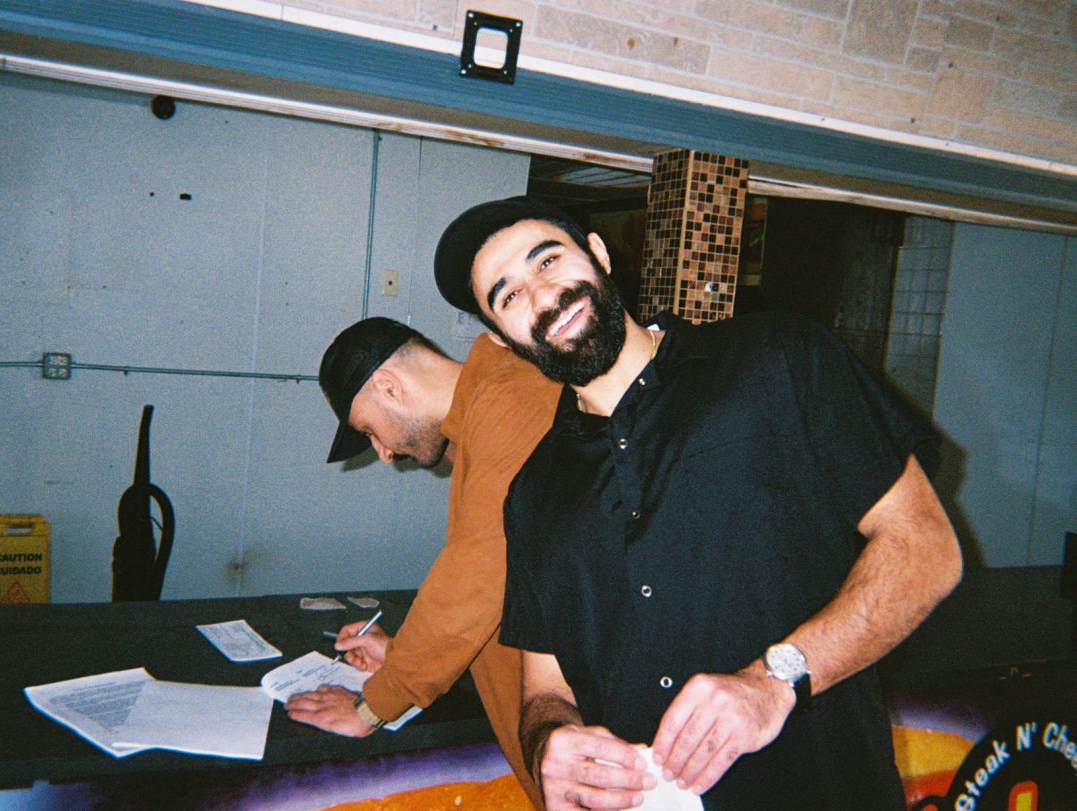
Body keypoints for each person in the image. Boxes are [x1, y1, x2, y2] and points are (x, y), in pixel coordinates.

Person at [432, 196, 963, 810]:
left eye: (547, 260)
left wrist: (774, 682)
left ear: (599, 254)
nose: (542, 296)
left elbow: (926, 548)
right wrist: (550, 739)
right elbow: (544, 687)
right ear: (502, 339)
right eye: (507, 296)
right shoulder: (532, 495)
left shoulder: (780, 358)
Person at [285, 316, 559, 809]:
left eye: (370, 431)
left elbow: (477, 576)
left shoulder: (511, 400)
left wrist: (374, 705)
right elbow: (507, 589)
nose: (384, 454)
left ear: (389, 386)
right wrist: (404, 651)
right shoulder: (480, 422)